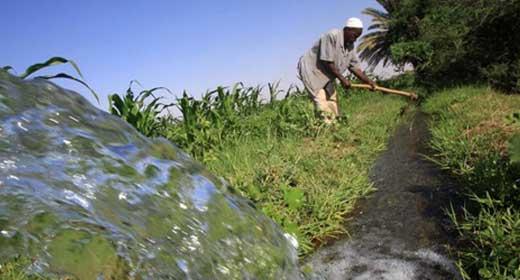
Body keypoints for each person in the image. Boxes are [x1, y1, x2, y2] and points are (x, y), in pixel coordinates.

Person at [297, 17, 377, 123]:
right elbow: (327, 61)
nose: (355, 39)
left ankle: (334, 125)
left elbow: (355, 68)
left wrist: (368, 81)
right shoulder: (332, 36)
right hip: (313, 71)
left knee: (332, 100)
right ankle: (325, 127)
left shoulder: (350, 46)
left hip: (327, 74)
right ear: (347, 30)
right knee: (321, 100)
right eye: (355, 35)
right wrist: (342, 79)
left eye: (357, 37)